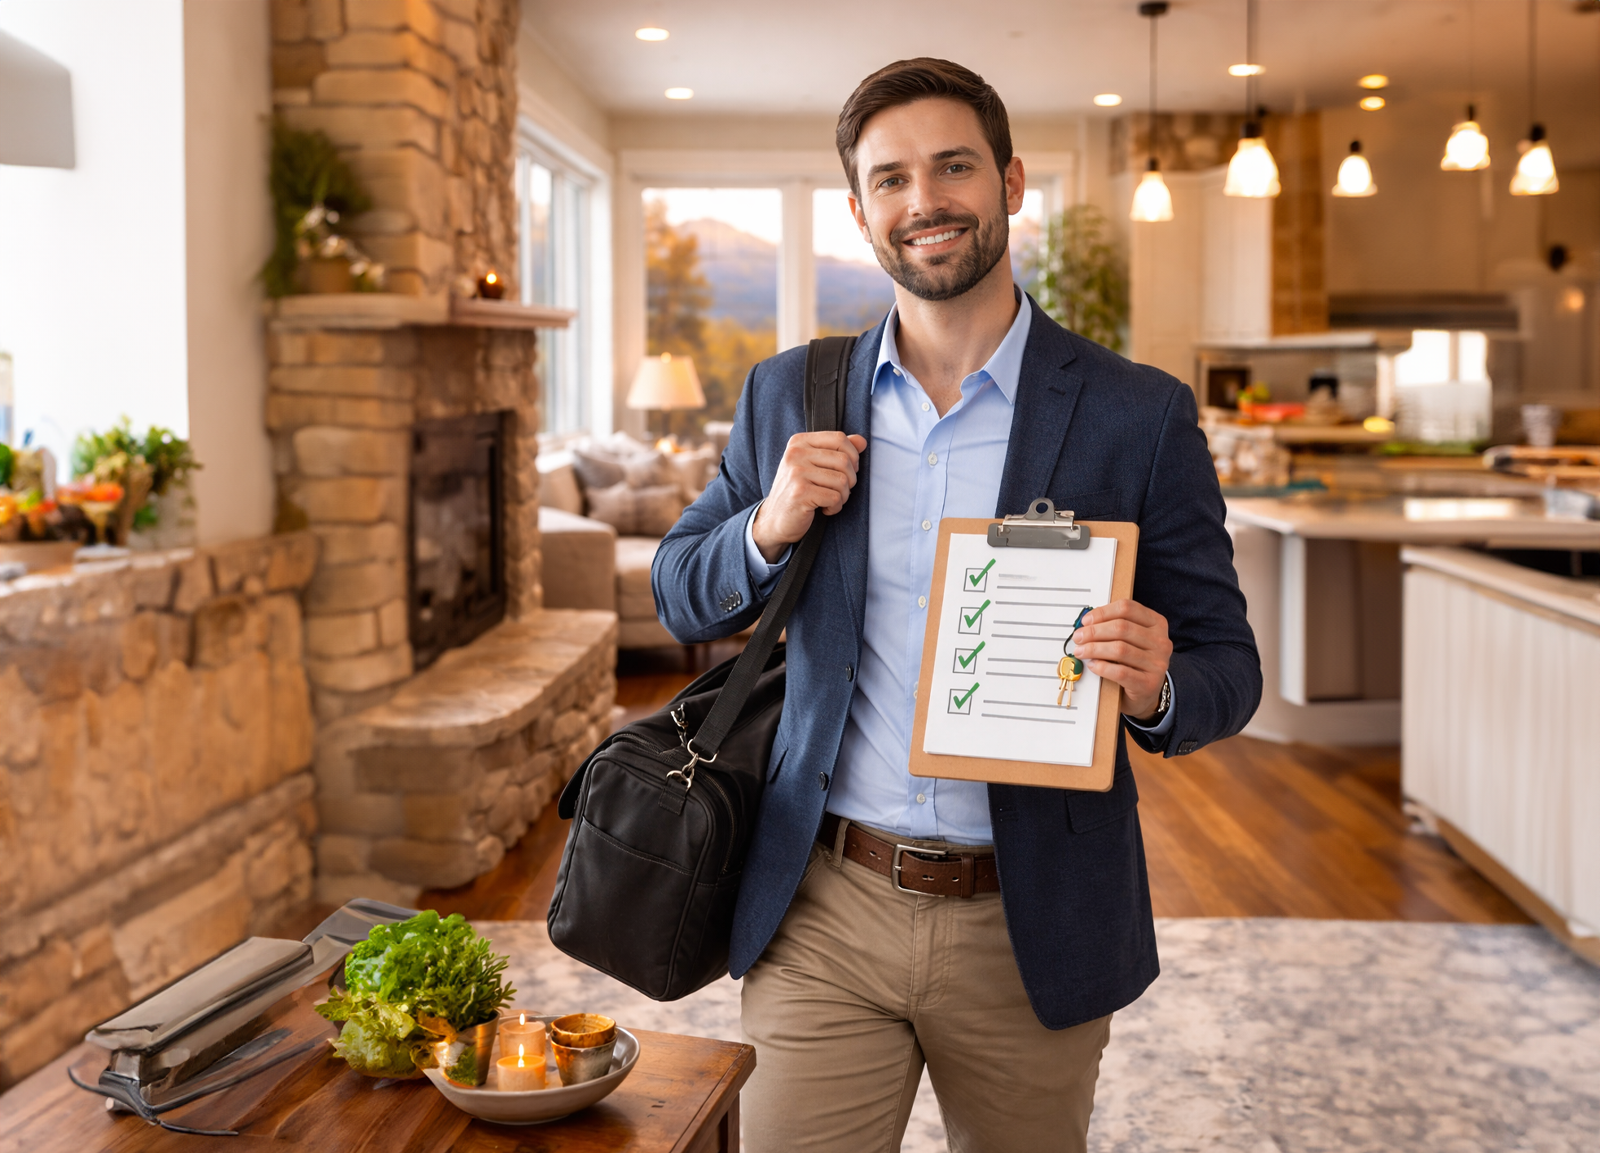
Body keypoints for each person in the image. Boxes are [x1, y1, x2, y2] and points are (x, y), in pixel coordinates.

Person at [652, 57, 1261, 1153]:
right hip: (822, 904)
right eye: (889, 180)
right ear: (858, 213)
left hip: (1031, 915)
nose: (922, 201)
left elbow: (1229, 668)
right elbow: (677, 581)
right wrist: (767, 524)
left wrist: (1158, 681)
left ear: (1011, 182)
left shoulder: (1139, 416)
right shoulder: (790, 392)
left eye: (951, 167)